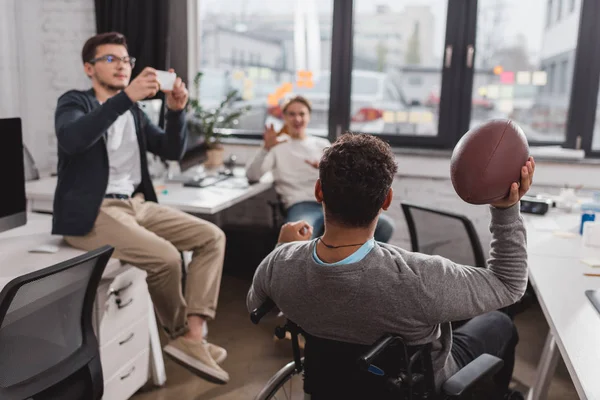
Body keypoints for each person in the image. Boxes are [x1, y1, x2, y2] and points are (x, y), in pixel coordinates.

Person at [247, 133, 535, 398]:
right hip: (418, 384)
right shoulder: (419, 277)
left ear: (319, 191)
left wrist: (282, 248)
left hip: (329, 384)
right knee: (499, 323)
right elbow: (509, 285)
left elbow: (256, 306)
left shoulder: (280, 265)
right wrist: (505, 208)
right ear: (386, 200)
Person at [53, 32, 229, 384]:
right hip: (95, 211)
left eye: (126, 59)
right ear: (89, 68)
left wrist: (176, 112)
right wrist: (127, 96)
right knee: (165, 257)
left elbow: (170, 150)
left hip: (135, 204)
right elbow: (73, 139)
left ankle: (194, 336)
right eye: (111, 59)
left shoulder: (131, 110)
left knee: (212, 237)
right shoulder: (75, 102)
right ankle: (182, 337)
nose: (122, 65)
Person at [246, 96, 395, 242]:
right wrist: (265, 148)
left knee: (385, 226)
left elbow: (346, 176)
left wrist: (324, 168)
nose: (297, 119)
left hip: (335, 203)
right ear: (284, 117)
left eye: (301, 114)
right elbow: (253, 176)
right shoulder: (276, 146)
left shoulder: (321, 144)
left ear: (308, 116)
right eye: (292, 114)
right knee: (295, 240)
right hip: (301, 204)